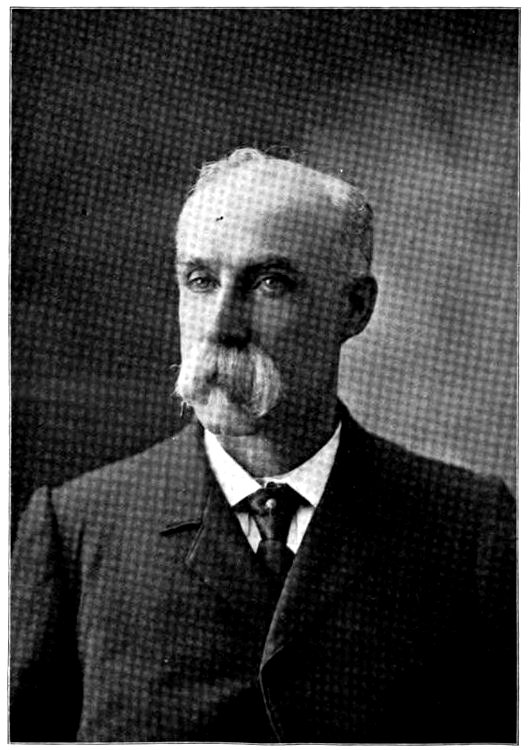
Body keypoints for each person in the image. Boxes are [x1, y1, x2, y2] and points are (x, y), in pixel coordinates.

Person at [10, 148, 516, 742]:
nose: (222, 323)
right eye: (201, 281)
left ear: (354, 307)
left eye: (270, 283)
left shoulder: (470, 529)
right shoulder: (76, 529)